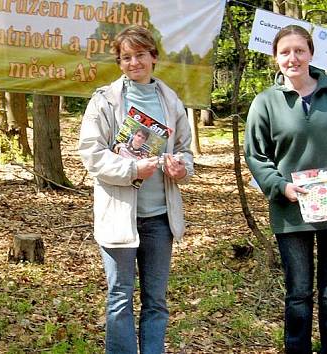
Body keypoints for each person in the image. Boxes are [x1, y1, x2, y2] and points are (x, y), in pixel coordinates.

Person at [244, 25, 327, 354]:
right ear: (275, 58)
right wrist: (280, 187)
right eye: (285, 52)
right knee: (298, 293)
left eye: (299, 50)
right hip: (291, 211)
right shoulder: (265, 103)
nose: (293, 58)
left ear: (311, 53)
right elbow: (256, 157)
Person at [78, 25, 194, 354]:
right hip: (118, 218)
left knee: (156, 301)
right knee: (119, 299)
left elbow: (186, 150)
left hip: (160, 218)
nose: (133, 62)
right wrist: (131, 169)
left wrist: (181, 167)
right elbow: (91, 154)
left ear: (153, 57)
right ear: (119, 62)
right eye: (126, 57)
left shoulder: (170, 101)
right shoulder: (104, 101)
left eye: (140, 55)